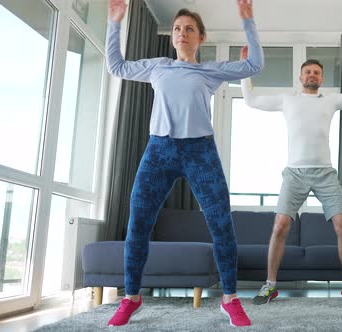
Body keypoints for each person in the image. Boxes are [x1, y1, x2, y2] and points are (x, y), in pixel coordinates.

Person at [105, 0, 263, 327]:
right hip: (159, 151)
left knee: (222, 224)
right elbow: (116, 67)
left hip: (200, 153)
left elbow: (254, 66)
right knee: (138, 222)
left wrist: (248, 20)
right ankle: (131, 297)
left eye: (189, 29)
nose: (181, 34)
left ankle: (230, 299)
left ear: (200, 38)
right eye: (177, 29)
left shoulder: (209, 71)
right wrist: (115, 23)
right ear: (172, 36)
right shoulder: (158, 66)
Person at [239, 39, 342, 305]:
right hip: (294, 173)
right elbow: (251, 100)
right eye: (308, 71)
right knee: (280, 226)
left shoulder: (331, 100)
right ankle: (270, 285)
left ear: (321, 78)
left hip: (325, 174)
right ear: (300, 76)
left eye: (316, 72)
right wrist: (246, 68)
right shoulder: (287, 100)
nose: (312, 75)